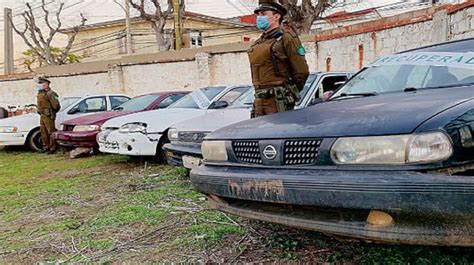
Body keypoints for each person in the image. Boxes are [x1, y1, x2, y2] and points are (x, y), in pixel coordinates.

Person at [248, 0, 309, 117]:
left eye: (264, 14)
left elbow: (302, 71)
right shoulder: (258, 43)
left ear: (276, 16)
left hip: (278, 100)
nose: (260, 17)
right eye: (258, 14)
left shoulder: (286, 38)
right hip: (259, 99)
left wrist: (289, 91)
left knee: (278, 132)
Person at [36, 77, 60, 154]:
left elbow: (56, 105)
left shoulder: (50, 93)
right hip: (42, 115)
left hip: (48, 115)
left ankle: (52, 148)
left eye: (41, 83)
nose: (39, 85)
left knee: (51, 132)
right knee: (43, 132)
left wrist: (51, 112)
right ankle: (46, 147)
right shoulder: (40, 93)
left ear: (46, 84)